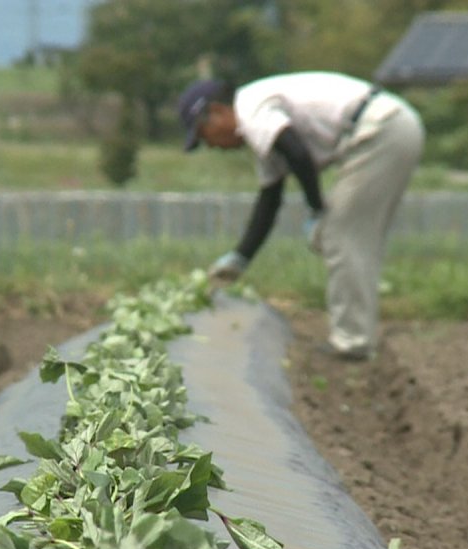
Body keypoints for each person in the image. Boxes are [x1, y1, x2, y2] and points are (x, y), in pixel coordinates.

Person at [178, 72, 424, 361]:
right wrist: (241, 257)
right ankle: (355, 337)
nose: (212, 146)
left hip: (381, 130)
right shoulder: (258, 124)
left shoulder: (251, 109)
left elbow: (296, 153)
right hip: (388, 127)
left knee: (340, 234)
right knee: (348, 236)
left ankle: (352, 342)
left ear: (217, 112)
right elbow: (270, 198)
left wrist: (316, 208)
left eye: (203, 135)